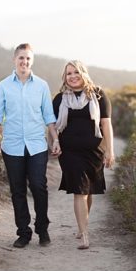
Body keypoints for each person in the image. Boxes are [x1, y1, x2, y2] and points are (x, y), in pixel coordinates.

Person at [0, 43, 62, 248]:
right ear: (15, 60)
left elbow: (49, 116)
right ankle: (24, 232)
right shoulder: (4, 86)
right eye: (21, 58)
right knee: (17, 190)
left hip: (37, 145)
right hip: (12, 146)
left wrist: (55, 139)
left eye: (28, 58)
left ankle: (42, 229)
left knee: (39, 186)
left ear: (32, 61)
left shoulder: (41, 85)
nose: (24, 62)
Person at [52, 60, 114, 250]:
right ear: (65, 77)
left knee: (88, 190)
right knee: (80, 190)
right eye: (68, 73)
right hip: (69, 152)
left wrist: (110, 150)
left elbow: (105, 124)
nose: (72, 76)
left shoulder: (98, 95)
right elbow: (52, 125)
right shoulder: (60, 99)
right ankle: (84, 234)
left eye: (75, 72)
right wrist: (54, 141)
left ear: (83, 73)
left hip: (94, 151)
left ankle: (82, 226)